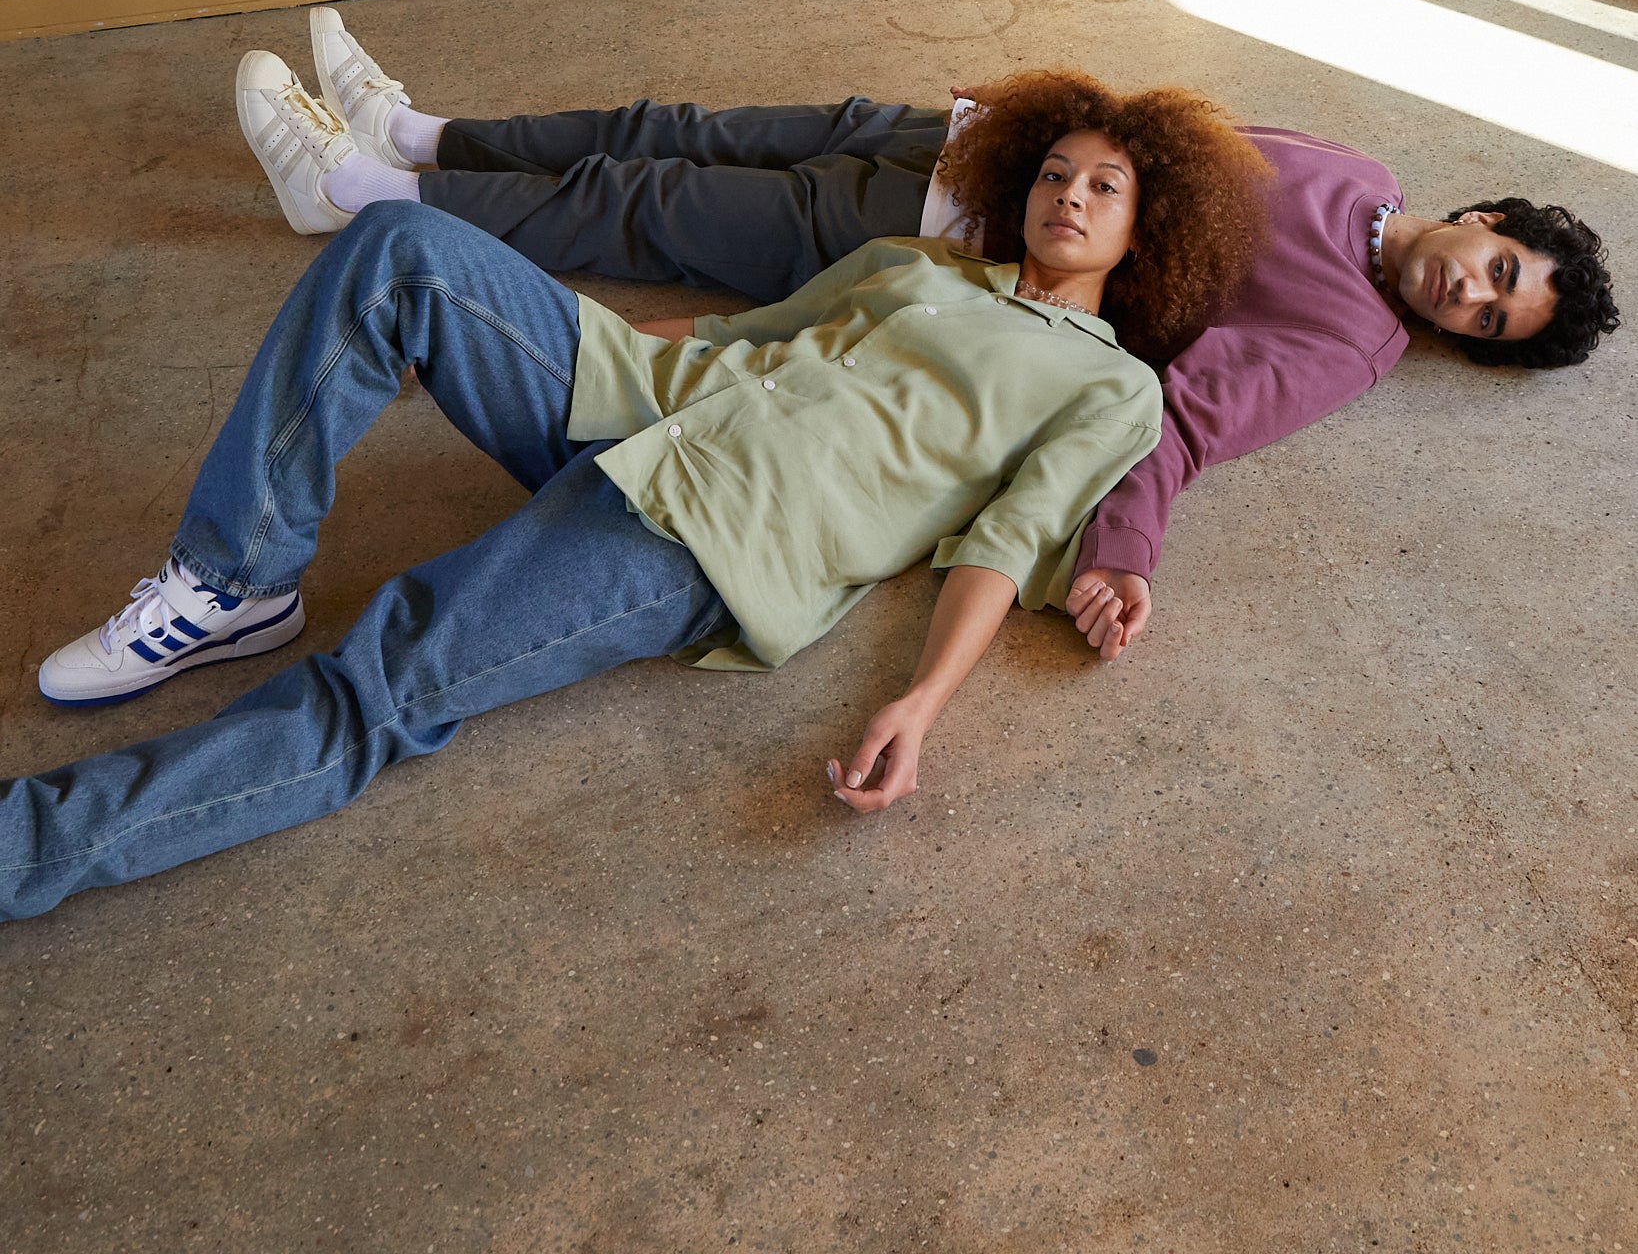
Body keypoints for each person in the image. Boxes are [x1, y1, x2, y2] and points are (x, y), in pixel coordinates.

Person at [9, 74, 1270, 920]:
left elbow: (1003, 540)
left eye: (1105, 186)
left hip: (715, 523)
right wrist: (499, 330)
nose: (1069, 196)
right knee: (399, 251)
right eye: (1054, 171)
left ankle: (28, 846)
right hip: (641, 397)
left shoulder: (1113, 386)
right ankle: (235, 578)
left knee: (378, 685)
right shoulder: (919, 260)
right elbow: (735, 332)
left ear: (1147, 228)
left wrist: (922, 700)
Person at [228, 9, 1622, 663]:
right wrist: (1038, 125)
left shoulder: (1349, 341)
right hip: (984, 147)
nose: (1468, 297)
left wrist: (1120, 556)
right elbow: (1165, 147)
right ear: (1487, 215)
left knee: (649, 205)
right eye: (1497, 270)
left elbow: (1181, 422)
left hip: (959, 242)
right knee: (680, 126)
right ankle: (418, 133)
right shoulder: (1363, 170)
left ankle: (358, 195)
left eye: (1489, 322)